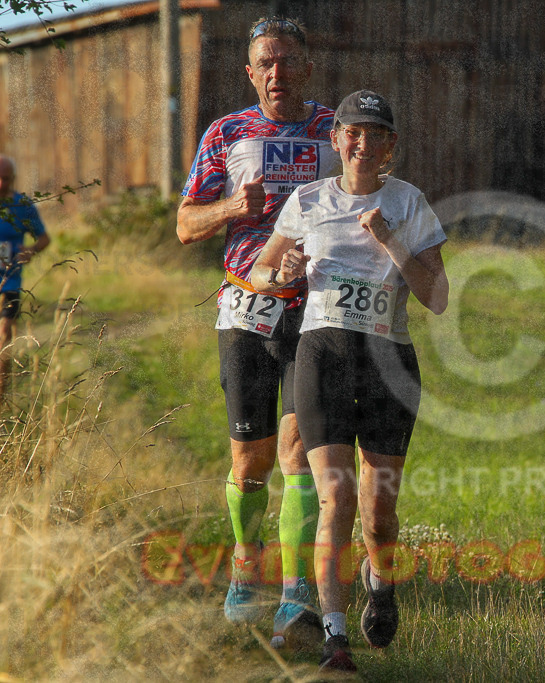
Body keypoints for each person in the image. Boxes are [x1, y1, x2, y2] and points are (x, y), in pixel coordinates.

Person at [250, 90, 449, 673]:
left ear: (390, 146)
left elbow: (437, 297)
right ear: (335, 139)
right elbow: (262, 270)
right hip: (323, 355)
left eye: (375, 134)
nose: (362, 143)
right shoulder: (307, 201)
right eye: (351, 133)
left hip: (389, 360)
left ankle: (379, 580)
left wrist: (390, 238)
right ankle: (335, 636)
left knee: (378, 513)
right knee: (335, 497)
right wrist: (282, 272)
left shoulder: (410, 204)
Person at [176, 16, 340, 651]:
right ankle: (247, 564)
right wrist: (232, 209)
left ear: (307, 67)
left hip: (316, 311)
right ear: (250, 73)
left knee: (299, 453)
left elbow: (369, 197)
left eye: (289, 62)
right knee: (250, 459)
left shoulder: (337, 130)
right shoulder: (227, 133)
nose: (278, 74)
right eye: (265, 64)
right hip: (246, 311)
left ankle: (296, 587)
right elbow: (186, 224)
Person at [0, 154, 50, 422]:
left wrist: (31, 251)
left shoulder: (21, 205)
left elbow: (44, 238)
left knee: (3, 342)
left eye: (6, 179)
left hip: (9, 282)